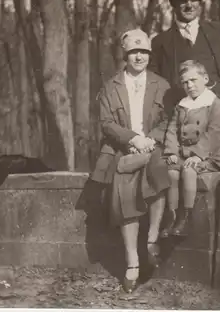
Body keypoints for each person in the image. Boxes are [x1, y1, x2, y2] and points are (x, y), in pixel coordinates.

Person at [90, 28, 172, 293]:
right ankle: (132, 262)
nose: (139, 57)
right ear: (125, 55)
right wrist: (133, 140)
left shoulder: (162, 85)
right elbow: (106, 123)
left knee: (158, 169)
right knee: (124, 184)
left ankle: (151, 239)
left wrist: (150, 139)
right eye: (134, 52)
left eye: (144, 52)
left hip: (153, 147)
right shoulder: (111, 86)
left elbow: (169, 119)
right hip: (123, 149)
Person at [149, 0, 220, 170]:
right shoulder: (160, 43)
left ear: (201, 2)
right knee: (190, 188)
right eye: (183, 0)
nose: (189, 5)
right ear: (172, 3)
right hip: (184, 133)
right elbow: (155, 87)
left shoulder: (219, 32)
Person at [160, 59, 220, 237]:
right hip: (185, 154)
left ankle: (187, 217)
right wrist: (172, 152)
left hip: (211, 155)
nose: (189, 85)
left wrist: (199, 155)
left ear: (205, 79)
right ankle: (172, 215)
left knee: (189, 170)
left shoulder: (215, 104)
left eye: (193, 80)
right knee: (171, 172)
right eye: (185, 82)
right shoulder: (182, 105)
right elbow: (172, 129)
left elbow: (215, 133)